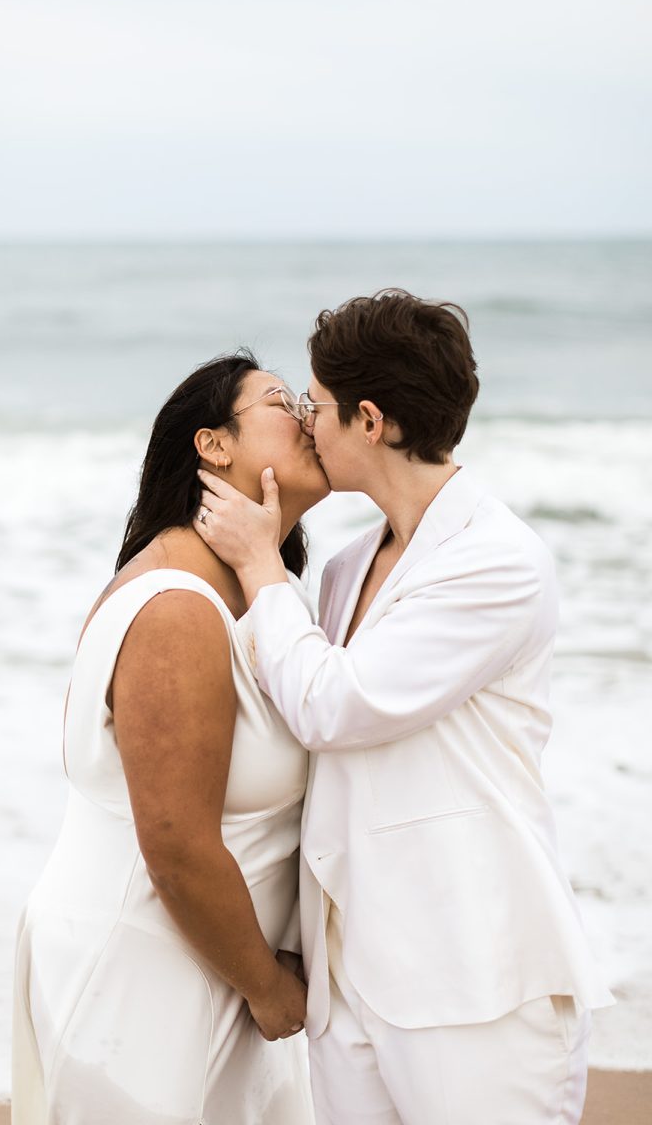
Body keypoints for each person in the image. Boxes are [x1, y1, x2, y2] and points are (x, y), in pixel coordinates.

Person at [195, 290, 614, 1125]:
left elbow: (332, 705)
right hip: (350, 977)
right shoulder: (351, 565)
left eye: (315, 406)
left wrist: (259, 567)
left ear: (371, 420)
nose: (305, 423)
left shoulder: (498, 562)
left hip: (474, 981)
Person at [11, 351, 329, 1125]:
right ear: (213, 445)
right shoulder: (176, 609)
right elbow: (175, 842)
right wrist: (269, 987)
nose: (309, 416)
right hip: (139, 990)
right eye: (282, 401)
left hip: (203, 975)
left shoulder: (249, 596)